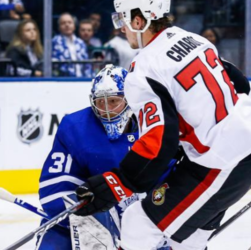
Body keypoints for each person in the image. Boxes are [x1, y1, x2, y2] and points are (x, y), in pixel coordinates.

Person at [74, 1, 251, 250]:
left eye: (122, 20)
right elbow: (240, 83)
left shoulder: (144, 70)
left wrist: (119, 181)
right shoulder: (192, 39)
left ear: (139, 21)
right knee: (188, 239)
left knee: (138, 224)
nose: (121, 28)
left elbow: (158, 142)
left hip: (223, 163)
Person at [37, 65, 171, 250]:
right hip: (88, 223)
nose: (107, 110)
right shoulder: (75, 128)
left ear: (129, 99)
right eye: (101, 102)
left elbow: (171, 179)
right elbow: (54, 187)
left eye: (114, 101)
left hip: (147, 223)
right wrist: (92, 222)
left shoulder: (153, 125)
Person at [52, 13, 92, 77]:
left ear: (74, 26)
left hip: (83, 80)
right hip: (63, 81)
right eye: (63, 23)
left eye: (69, 22)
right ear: (59, 27)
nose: (67, 25)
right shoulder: (54, 42)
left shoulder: (80, 43)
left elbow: (87, 65)